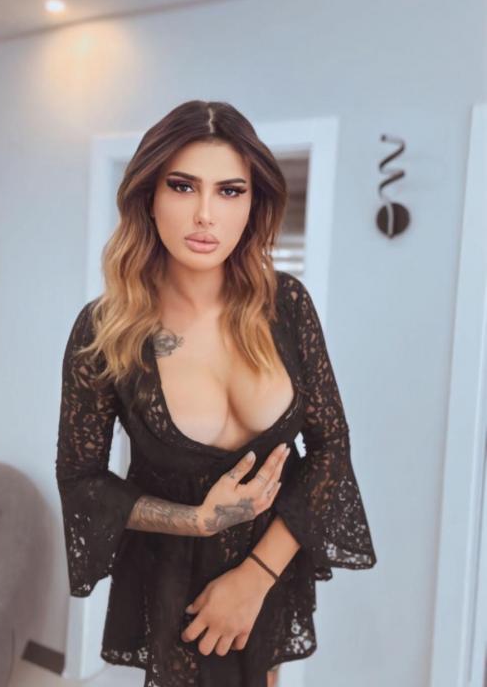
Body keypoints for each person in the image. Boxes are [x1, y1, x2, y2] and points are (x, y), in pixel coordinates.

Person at [55, 100, 377, 687]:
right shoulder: (106, 330)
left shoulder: (287, 306)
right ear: (149, 197)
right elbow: (81, 479)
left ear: (253, 204)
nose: (205, 214)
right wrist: (198, 521)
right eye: (182, 186)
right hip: (172, 581)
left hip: (272, 569)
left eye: (230, 191)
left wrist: (255, 578)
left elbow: (331, 447)